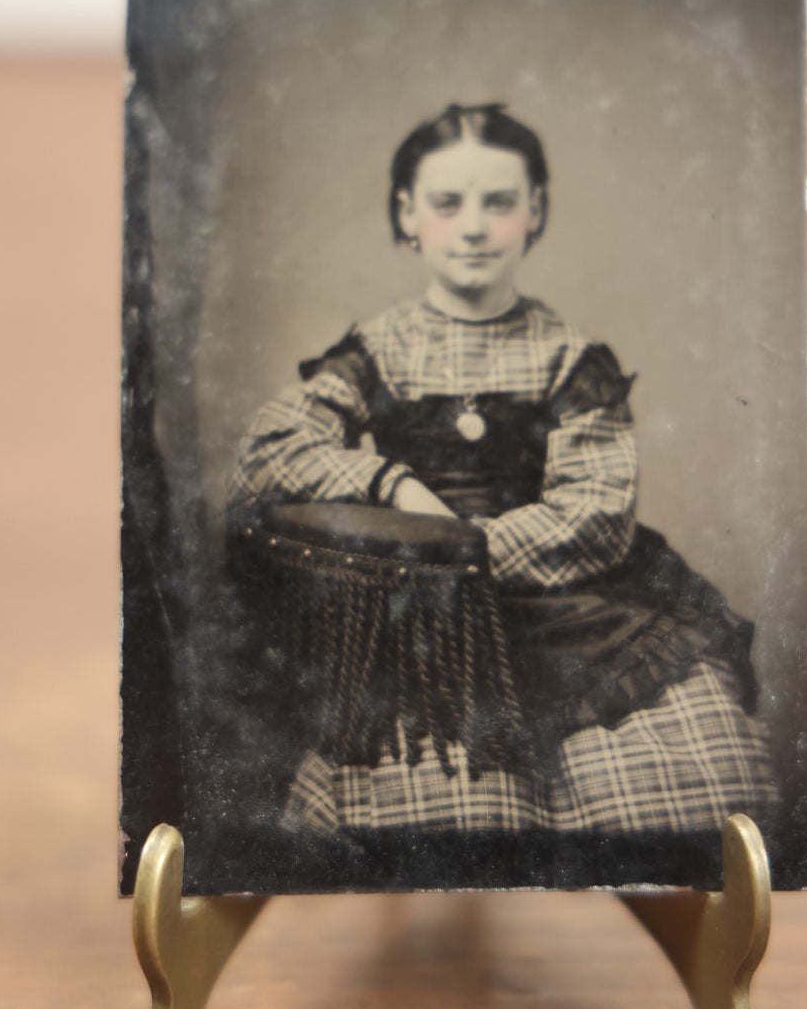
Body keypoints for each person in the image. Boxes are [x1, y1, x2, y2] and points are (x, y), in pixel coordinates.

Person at [228, 103, 776, 838]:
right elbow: (269, 451)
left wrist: (469, 553)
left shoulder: (568, 357)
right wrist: (389, 485)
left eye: (500, 202)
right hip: (425, 619)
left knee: (673, 788)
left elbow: (594, 513)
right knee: (450, 811)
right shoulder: (378, 349)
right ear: (408, 213)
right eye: (448, 204)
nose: (475, 227)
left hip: (570, 608)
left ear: (535, 211)